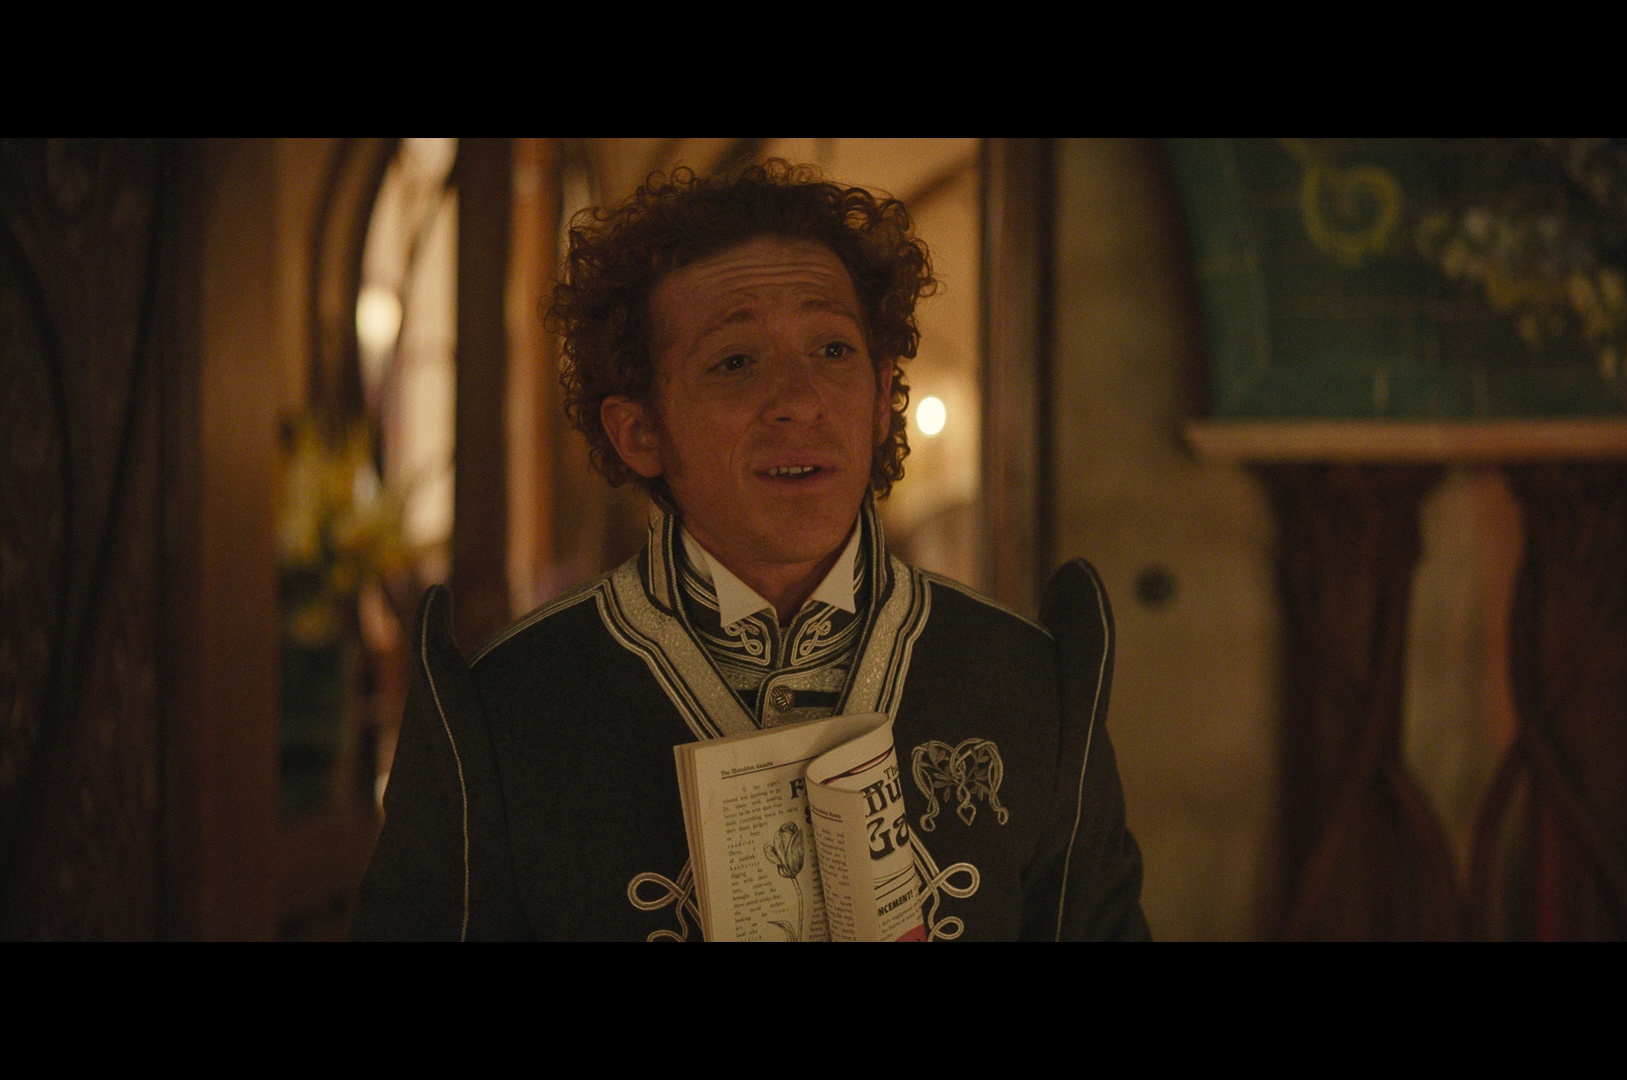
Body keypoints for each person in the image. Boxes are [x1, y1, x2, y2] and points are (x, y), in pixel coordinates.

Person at [352, 160, 1148, 941]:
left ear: (881, 400)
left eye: (832, 350)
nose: (798, 400)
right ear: (639, 431)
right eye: (735, 362)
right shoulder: (506, 711)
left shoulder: (1027, 683)